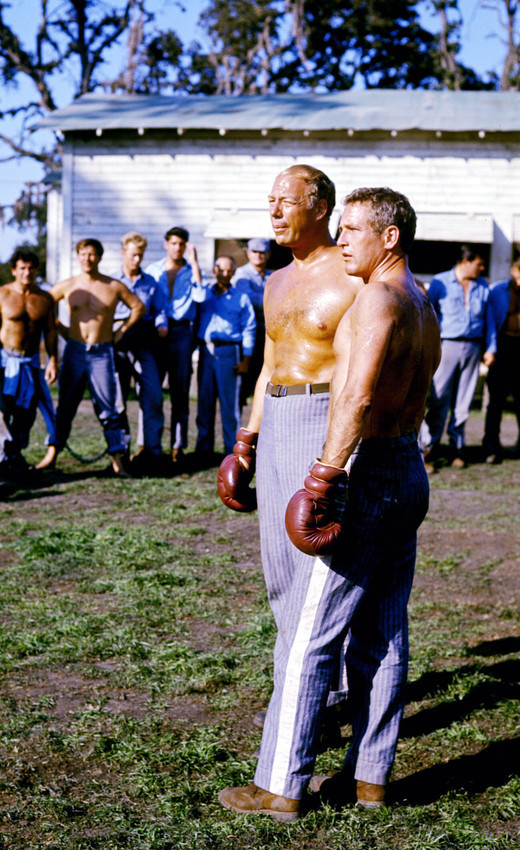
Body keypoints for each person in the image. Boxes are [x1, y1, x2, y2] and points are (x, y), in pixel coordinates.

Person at [220, 187, 440, 821]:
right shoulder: (422, 301)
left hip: (368, 468)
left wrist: (322, 475)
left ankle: (280, 786)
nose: (342, 240)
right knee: (384, 630)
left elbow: (356, 397)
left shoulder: (376, 298)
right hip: (408, 467)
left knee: (309, 634)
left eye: (353, 230)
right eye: (339, 228)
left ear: (389, 237)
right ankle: (370, 780)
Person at [215, 164, 361, 810]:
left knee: (318, 583)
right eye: (269, 201)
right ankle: (322, 702)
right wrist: (245, 441)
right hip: (274, 419)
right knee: (280, 575)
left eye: (286, 201)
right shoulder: (273, 281)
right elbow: (272, 361)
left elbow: (363, 371)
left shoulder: (350, 278)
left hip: (321, 422)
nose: (274, 212)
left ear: (320, 206)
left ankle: (297, 742)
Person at [36, 238, 145, 476]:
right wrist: (61, 329)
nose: (88, 259)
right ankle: (52, 453)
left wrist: (120, 331)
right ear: (78, 256)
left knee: (108, 407)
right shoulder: (69, 285)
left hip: (102, 352)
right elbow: (44, 304)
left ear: (100, 257)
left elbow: (138, 307)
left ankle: (117, 458)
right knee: (66, 405)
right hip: (74, 350)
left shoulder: (112, 286)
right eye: (83, 254)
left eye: (92, 254)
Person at [0, 249, 58, 477]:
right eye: (22, 268)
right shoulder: (1, 295)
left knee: (27, 411)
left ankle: (16, 453)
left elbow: (50, 331)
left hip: (30, 362)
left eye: (31, 268)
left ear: (37, 270)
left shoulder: (45, 299)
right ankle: (1, 458)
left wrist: (52, 360)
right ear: (14, 270)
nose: (27, 272)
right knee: (2, 408)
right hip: (5, 361)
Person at [420, 245, 496, 470]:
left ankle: (457, 449)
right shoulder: (440, 282)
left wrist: (490, 348)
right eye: (479, 264)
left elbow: (489, 320)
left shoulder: (482, 285)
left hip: (472, 347)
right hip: (447, 346)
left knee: (463, 402)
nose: (482, 268)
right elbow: (429, 315)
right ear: (465, 261)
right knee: (439, 399)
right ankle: (428, 449)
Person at [145, 226, 205, 465]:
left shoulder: (192, 271)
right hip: (157, 333)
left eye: (182, 244)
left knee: (180, 393)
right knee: (151, 392)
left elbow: (200, 297)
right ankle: (149, 444)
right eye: (174, 243)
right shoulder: (153, 270)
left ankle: (178, 447)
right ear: (166, 244)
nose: (177, 248)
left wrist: (196, 263)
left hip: (181, 332)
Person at [113, 232, 168, 471]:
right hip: (118, 342)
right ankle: (120, 452)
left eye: (141, 255)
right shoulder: (112, 282)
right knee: (118, 399)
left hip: (144, 342)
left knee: (153, 396)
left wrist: (161, 324)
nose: (137, 260)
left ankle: (152, 450)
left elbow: (159, 309)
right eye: (133, 254)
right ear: (124, 253)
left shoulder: (150, 282)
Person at [195, 255, 256, 459]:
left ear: (233, 272)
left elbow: (249, 328)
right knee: (204, 401)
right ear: (214, 269)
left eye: (229, 270)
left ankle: (231, 451)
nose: (224, 274)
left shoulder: (241, 297)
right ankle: (203, 449)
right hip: (207, 351)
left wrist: (246, 359)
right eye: (221, 269)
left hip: (230, 351)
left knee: (230, 404)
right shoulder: (205, 295)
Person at [482, 258, 520, 464]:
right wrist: (489, 350)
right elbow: (489, 322)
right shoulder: (497, 291)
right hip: (503, 350)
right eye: (518, 277)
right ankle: (491, 445)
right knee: (496, 403)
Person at [234, 237, 272, 408]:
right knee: (245, 377)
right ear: (248, 253)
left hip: (269, 331)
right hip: (248, 331)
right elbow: (249, 300)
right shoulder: (241, 275)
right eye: (255, 252)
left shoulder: (272, 275)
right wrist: (274, 298)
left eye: (262, 252)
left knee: (265, 373)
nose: (259, 256)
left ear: (268, 254)